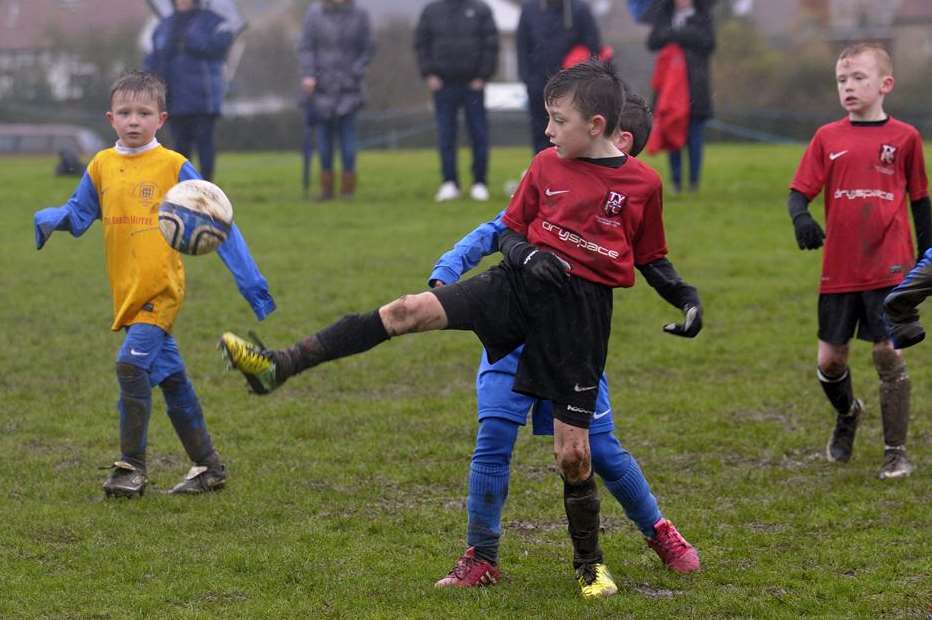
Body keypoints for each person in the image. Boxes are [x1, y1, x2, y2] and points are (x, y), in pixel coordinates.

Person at [219, 61, 703, 598]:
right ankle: (280, 365)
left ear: (599, 126)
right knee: (407, 313)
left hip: (578, 322)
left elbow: (653, 255)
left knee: (580, 454)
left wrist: (686, 297)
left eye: (557, 119)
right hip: (514, 293)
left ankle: (593, 564)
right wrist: (520, 258)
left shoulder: (641, 184)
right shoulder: (547, 165)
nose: (546, 130)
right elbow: (506, 232)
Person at [428, 92, 700, 590]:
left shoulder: (624, 195)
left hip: (575, 351)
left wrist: (681, 294)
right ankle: (480, 555)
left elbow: (647, 258)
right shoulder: (551, 179)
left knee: (602, 450)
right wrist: (447, 272)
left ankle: (660, 531)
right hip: (514, 344)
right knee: (492, 443)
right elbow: (496, 230)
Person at [33, 72, 276, 498]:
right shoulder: (102, 165)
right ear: (110, 118)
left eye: (143, 113)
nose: (133, 121)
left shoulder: (173, 165)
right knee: (172, 379)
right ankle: (209, 466)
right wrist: (54, 218)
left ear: (160, 118)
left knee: (131, 366)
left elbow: (220, 222)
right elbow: (80, 211)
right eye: (125, 113)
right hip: (125, 292)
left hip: (160, 290)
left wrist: (251, 282)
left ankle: (131, 468)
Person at [787, 43, 929, 480]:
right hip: (839, 269)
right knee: (831, 362)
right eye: (842, 80)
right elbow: (798, 191)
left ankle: (896, 452)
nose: (848, 87)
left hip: (889, 267)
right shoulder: (827, 137)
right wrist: (801, 217)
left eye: (858, 78)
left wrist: (927, 263)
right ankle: (848, 413)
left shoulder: (905, 138)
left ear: (885, 84)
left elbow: (921, 203)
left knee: (888, 355)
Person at [414, 0, 498, 203]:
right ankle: (449, 182)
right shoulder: (431, 10)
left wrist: (483, 76)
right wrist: (429, 74)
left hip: (473, 85)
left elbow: (491, 44)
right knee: (446, 135)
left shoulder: (480, 9)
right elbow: (421, 44)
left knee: (478, 134)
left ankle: (479, 182)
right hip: (443, 85)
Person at [144, 0, 234, 182]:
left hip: (203, 98)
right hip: (174, 96)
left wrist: (192, 40)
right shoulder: (164, 26)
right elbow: (153, 58)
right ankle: (183, 188)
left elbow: (220, 46)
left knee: (204, 143)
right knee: (179, 146)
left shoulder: (215, 22)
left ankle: (207, 187)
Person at [298, 0, 374, 201]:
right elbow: (306, 46)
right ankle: (327, 189)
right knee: (324, 142)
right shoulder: (314, 14)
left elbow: (368, 48)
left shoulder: (360, 14)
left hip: (350, 87)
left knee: (348, 141)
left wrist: (355, 72)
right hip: (321, 87)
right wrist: (309, 74)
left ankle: (348, 189)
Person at [646, 0, 715, 193]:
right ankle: (676, 181)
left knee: (694, 136)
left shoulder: (703, 16)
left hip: (695, 88)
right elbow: (652, 42)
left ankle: (694, 182)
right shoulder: (664, 15)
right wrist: (672, 33)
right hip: (669, 88)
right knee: (672, 131)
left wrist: (677, 34)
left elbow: (709, 43)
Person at [517, 0, 601, 154]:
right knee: (540, 131)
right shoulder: (530, 9)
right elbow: (522, 46)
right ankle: (543, 172)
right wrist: (527, 78)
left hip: (571, 87)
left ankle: (571, 173)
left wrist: (580, 78)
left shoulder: (579, 9)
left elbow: (593, 46)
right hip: (538, 84)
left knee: (571, 131)